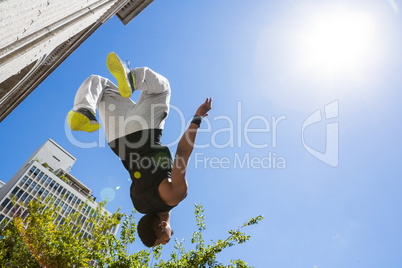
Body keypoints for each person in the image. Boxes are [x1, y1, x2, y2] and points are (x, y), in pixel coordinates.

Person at [67, 52, 212, 247]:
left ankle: (130, 78)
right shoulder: (139, 204)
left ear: (162, 225)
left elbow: (182, 154)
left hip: (144, 133)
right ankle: (83, 110)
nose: (167, 240)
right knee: (99, 83)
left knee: (161, 89)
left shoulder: (174, 195)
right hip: (117, 141)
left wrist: (198, 118)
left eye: (164, 240)